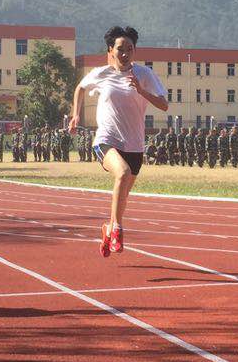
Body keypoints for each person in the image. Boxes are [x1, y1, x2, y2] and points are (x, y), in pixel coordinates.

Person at [69, 25, 168, 257]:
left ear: (135, 51)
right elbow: (80, 88)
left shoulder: (144, 74)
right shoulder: (101, 73)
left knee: (123, 195)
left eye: (130, 49)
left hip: (134, 145)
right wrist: (76, 114)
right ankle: (117, 229)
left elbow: (164, 105)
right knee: (122, 173)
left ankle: (109, 227)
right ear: (110, 51)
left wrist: (142, 91)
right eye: (120, 49)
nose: (125, 53)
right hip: (107, 140)